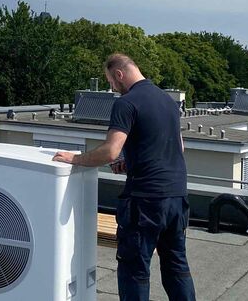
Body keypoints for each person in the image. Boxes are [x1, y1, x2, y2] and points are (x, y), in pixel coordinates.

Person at [53, 53, 196, 301]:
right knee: (176, 267)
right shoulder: (168, 101)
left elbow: (110, 151)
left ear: (119, 74)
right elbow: (177, 148)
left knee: (134, 270)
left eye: (110, 81)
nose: (112, 87)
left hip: (146, 201)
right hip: (177, 197)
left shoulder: (126, 103)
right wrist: (131, 163)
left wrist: (74, 159)